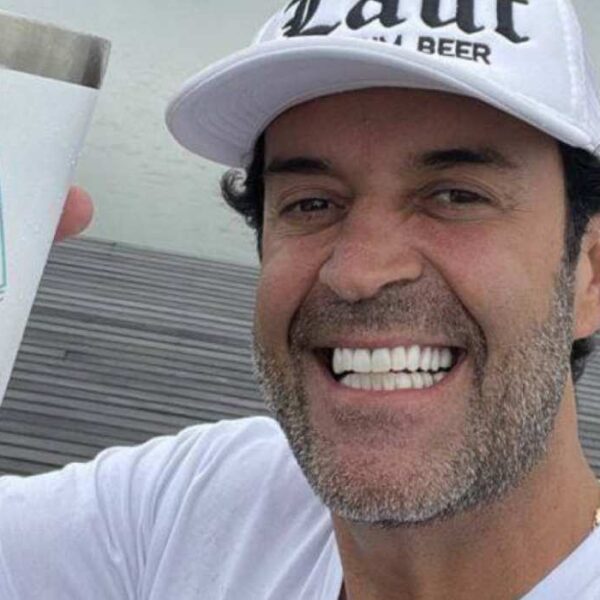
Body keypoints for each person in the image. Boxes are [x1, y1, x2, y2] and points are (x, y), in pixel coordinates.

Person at [3, 0, 600, 598]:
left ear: (590, 274)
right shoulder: (188, 508)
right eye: (312, 203)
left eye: (457, 196)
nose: (359, 273)